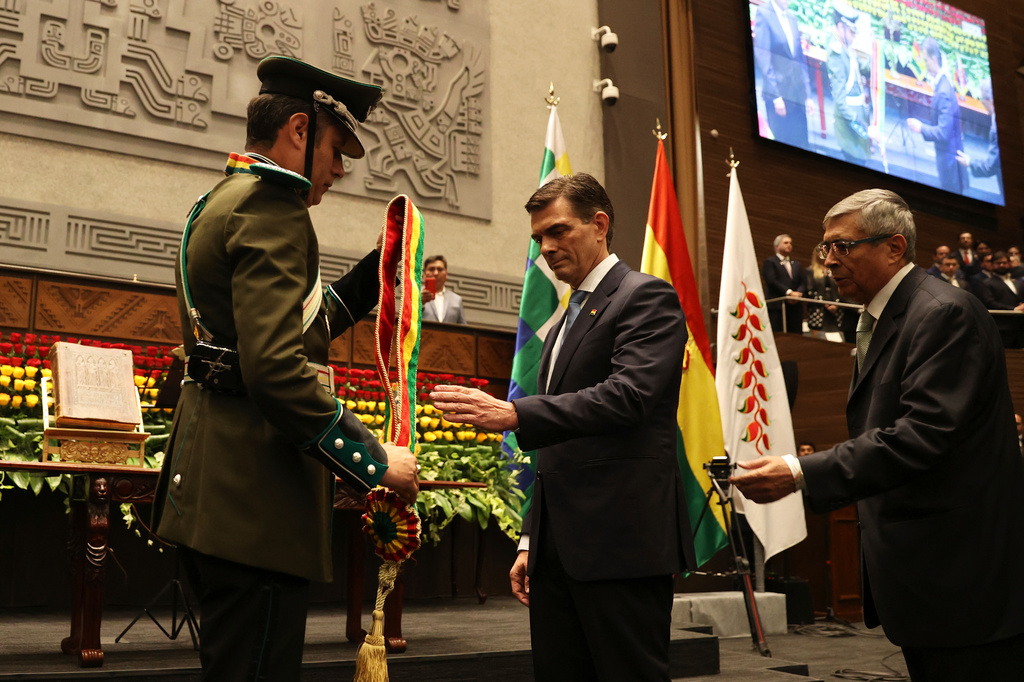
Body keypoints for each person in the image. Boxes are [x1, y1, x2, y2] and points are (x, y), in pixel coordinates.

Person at [152, 56, 420, 681]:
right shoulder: (275, 208)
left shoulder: (223, 199)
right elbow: (275, 369)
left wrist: (378, 272)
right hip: (256, 507)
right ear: (299, 130)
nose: (340, 168)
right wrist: (374, 462)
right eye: (336, 148)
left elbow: (294, 327)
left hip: (214, 497)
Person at [729, 188, 1024, 680]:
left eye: (844, 246)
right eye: (826, 247)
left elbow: (920, 435)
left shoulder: (942, 312)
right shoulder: (879, 319)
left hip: (963, 582)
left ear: (894, 247)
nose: (829, 260)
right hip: (925, 583)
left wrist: (800, 471)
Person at [429, 173, 696, 681]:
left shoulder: (645, 296)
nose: (546, 248)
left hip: (621, 544)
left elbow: (629, 397)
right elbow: (559, 447)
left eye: (558, 231)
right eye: (538, 238)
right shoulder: (561, 322)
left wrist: (515, 413)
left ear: (600, 225)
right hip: (557, 551)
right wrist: (532, 538)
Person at [907, 38, 967, 194]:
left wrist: (921, 128)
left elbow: (943, 132)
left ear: (934, 60)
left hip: (950, 163)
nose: (924, 64)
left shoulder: (944, 92)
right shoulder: (943, 84)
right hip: (948, 160)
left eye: (926, 60)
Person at [753, 0, 814, 149]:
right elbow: (763, 58)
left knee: (802, 146)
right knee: (781, 147)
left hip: (797, 97)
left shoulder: (792, 18)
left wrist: (807, 95)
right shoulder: (764, 13)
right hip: (779, 97)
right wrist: (776, 97)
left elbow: (800, 59)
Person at [827, 2, 879, 166]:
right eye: (851, 31)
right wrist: (864, 128)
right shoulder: (836, 53)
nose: (854, 35)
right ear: (840, 27)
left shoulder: (845, 46)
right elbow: (841, 103)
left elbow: (857, 67)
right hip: (851, 128)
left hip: (857, 121)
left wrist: (876, 58)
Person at [956, 78, 1002, 197]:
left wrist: (969, 162)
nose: (982, 102)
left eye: (983, 99)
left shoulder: (996, 127)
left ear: (991, 100)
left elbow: (991, 166)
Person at [976, 251, 1024, 349]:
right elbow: (989, 302)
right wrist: (1013, 309)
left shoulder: (1018, 282)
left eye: (1004, 262)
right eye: (998, 263)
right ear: (992, 265)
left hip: (1020, 326)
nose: (1002, 265)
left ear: (1009, 263)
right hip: (1001, 327)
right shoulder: (986, 283)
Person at [762, 234, 805, 333]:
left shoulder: (796, 264)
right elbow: (771, 281)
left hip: (795, 307)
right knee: (779, 335)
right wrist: (789, 293)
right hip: (778, 307)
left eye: (790, 243)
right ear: (776, 246)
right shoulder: (770, 262)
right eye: (786, 243)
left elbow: (803, 282)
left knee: (797, 336)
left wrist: (798, 293)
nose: (789, 245)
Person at [803, 248, 845, 338]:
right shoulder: (810, 271)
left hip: (835, 311)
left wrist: (836, 304)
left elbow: (841, 287)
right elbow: (810, 291)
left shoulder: (835, 270)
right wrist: (825, 303)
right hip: (818, 311)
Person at [421, 254, 467, 324]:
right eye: (431, 269)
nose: (436, 273)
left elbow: (463, 327)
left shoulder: (456, 300)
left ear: (446, 274)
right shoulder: (414, 295)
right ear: (424, 274)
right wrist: (419, 303)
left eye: (440, 269)